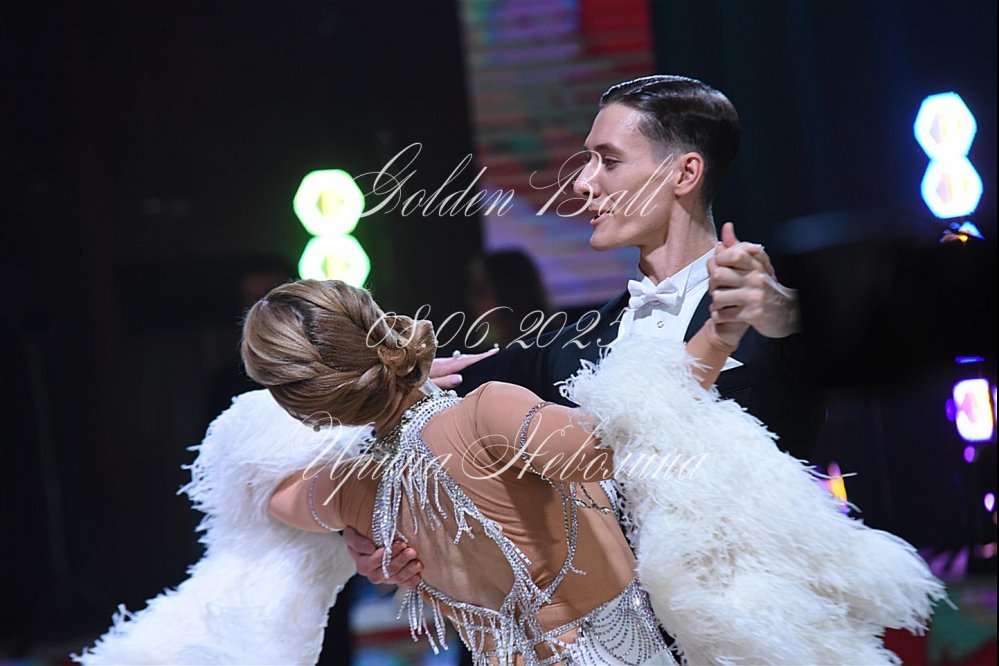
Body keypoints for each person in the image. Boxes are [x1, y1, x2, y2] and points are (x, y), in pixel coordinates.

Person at [246, 279, 942, 665]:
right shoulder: (487, 415)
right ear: (375, 321)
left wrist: (355, 525)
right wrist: (718, 332)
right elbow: (632, 431)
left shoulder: (350, 489)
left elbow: (261, 490)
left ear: (300, 404)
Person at [347, 75, 821, 591]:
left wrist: (780, 311)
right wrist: (371, 526)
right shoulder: (570, 346)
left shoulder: (770, 310)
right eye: (588, 159)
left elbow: (815, 343)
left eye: (608, 161)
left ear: (685, 173)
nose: (582, 183)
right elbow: (415, 407)